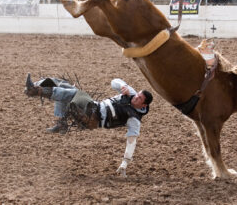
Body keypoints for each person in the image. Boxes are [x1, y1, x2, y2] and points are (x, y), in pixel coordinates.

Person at [24, 74, 153, 177]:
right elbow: (114, 81)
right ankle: (37, 90)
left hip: (94, 117)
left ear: (144, 105)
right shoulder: (130, 93)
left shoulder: (134, 120)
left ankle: (35, 91)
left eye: (139, 98)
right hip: (93, 105)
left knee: (73, 94)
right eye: (137, 94)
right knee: (62, 84)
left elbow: (132, 141)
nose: (136, 97)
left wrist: (125, 163)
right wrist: (123, 85)